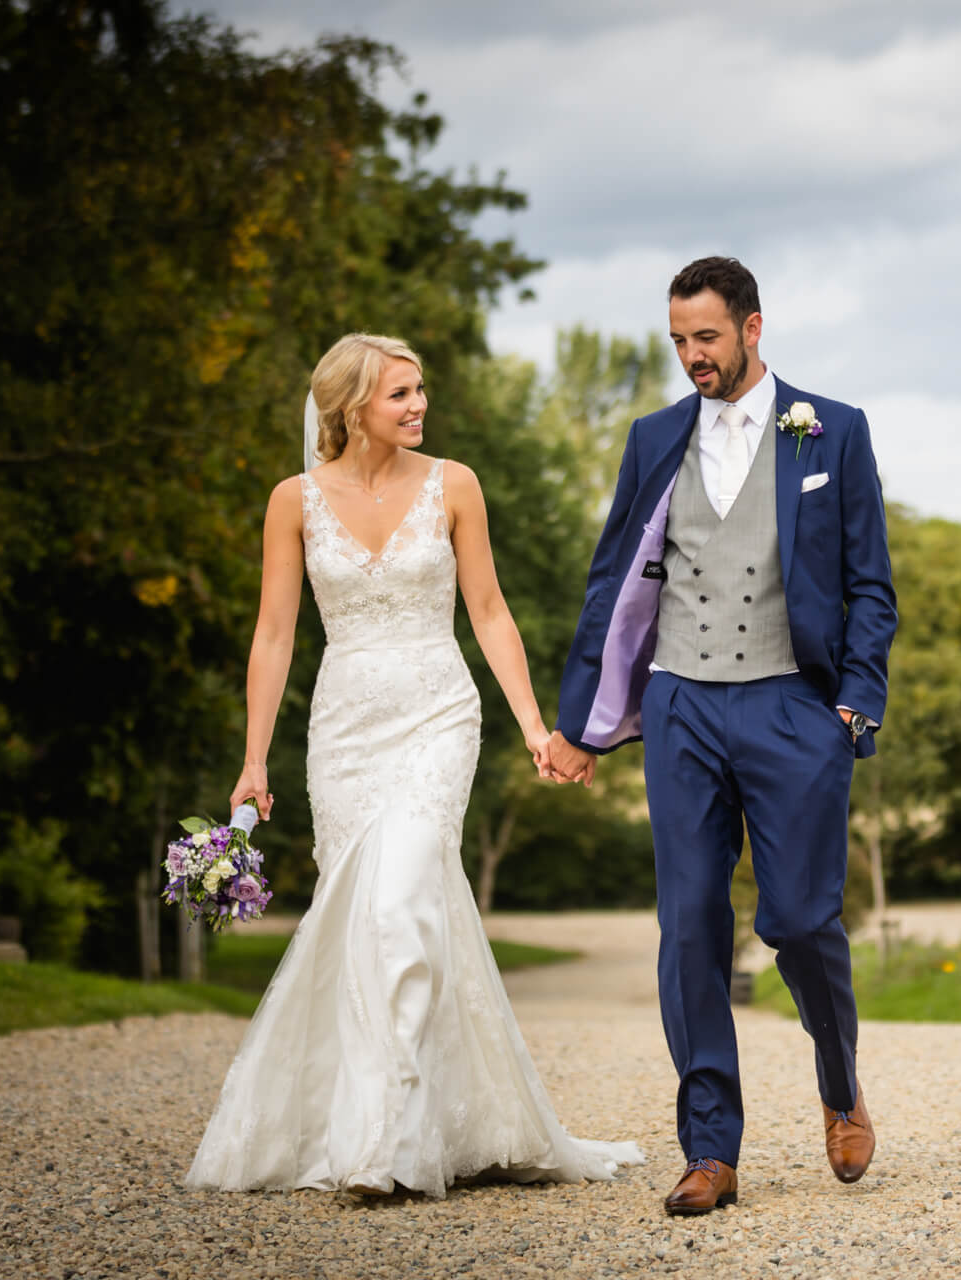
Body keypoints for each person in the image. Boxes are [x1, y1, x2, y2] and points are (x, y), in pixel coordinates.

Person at [185, 333, 642, 1198]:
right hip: (344, 731)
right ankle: (386, 1122)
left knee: (400, 901)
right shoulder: (293, 500)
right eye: (400, 393)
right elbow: (274, 634)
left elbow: (489, 610)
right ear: (351, 406)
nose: (419, 404)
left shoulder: (454, 484)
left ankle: (388, 1142)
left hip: (438, 715)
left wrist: (535, 727)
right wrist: (253, 759)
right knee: (364, 917)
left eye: (420, 389)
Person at [545, 258, 897, 1216]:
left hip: (793, 706)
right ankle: (710, 1150)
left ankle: (840, 1082)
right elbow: (612, 579)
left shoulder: (833, 430)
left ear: (751, 327)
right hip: (683, 708)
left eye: (706, 337)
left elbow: (871, 586)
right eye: (678, 342)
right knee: (691, 923)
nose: (692, 356)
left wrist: (854, 704)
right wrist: (581, 721)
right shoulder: (654, 436)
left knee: (799, 920)